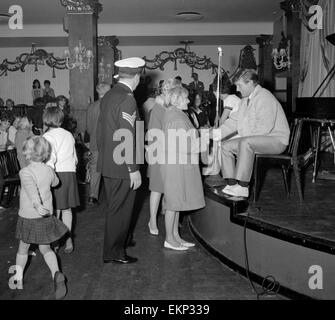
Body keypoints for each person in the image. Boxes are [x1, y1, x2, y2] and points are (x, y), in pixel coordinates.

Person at [97, 57, 145, 264]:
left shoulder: (109, 95)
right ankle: (114, 252)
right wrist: (133, 168)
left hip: (109, 161)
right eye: (140, 76)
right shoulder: (127, 98)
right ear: (136, 76)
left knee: (116, 207)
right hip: (122, 164)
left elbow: (101, 131)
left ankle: (120, 240)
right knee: (121, 210)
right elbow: (126, 135)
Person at [221, 69, 290, 198]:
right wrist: (214, 134)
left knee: (245, 142)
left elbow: (264, 128)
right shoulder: (244, 100)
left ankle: (242, 187)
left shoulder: (264, 97)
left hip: (276, 140)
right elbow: (234, 122)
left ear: (251, 83)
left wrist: (243, 138)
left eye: (240, 85)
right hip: (256, 139)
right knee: (225, 146)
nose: (237, 89)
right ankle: (232, 184)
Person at [14, 136, 68, 299]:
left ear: (28, 154)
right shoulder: (48, 170)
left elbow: (30, 189)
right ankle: (56, 273)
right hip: (45, 218)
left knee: (23, 249)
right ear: (45, 154)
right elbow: (55, 183)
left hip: (29, 217)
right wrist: (49, 171)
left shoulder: (25, 172)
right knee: (46, 249)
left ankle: (17, 279)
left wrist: (37, 204)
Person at [161, 86, 205, 250]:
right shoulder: (177, 117)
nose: (189, 100)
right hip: (175, 165)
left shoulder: (175, 114)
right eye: (186, 98)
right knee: (173, 203)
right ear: (177, 100)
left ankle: (176, 237)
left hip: (175, 163)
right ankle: (169, 239)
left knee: (177, 201)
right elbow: (185, 145)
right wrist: (205, 140)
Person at [146, 78, 181, 236]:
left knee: (169, 189)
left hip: (171, 152)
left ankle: (170, 220)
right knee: (157, 188)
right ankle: (152, 220)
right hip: (158, 151)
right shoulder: (158, 108)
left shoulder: (173, 108)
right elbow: (154, 132)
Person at [43, 107, 80, 253]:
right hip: (69, 173)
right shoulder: (69, 135)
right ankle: (68, 238)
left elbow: (49, 159)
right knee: (66, 209)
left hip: (55, 173)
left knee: (54, 210)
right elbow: (75, 159)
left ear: (47, 119)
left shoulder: (47, 136)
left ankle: (55, 241)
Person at [86, 82, 110, 206]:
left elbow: (89, 129)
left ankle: (92, 196)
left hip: (95, 142)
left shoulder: (91, 107)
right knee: (109, 168)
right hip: (108, 143)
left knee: (95, 169)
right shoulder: (110, 106)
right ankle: (111, 196)